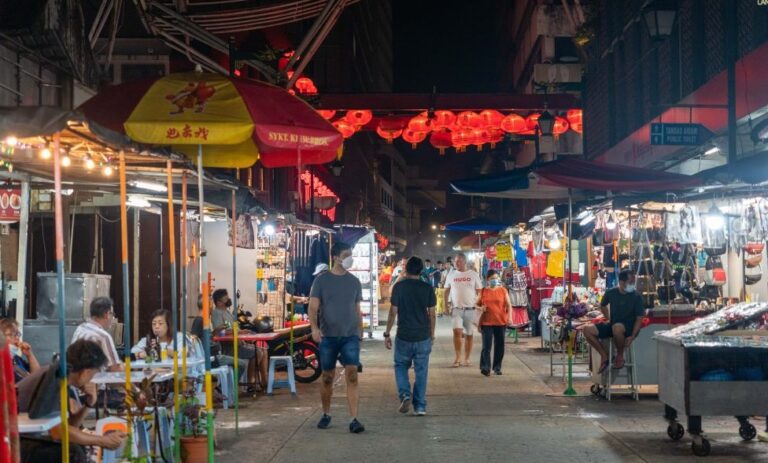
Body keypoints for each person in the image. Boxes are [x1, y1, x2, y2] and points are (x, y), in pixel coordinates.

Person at [17, 340, 127, 462]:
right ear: (86, 373)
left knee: (78, 445)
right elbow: (58, 432)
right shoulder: (53, 380)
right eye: (93, 374)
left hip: (23, 438)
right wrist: (102, 440)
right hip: (13, 442)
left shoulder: (60, 377)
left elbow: (70, 426)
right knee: (73, 452)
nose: (92, 379)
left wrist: (89, 403)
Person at [309, 241, 365, 433]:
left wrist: (360, 329)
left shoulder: (354, 281)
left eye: (351, 254)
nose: (350, 258)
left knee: (352, 376)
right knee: (327, 377)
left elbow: (357, 309)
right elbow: (313, 307)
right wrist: (314, 328)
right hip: (328, 337)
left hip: (350, 336)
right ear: (335, 257)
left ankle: (354, 418)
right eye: (346, 254)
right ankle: (326, 413)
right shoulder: (321, 281)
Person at [384, 257, 436, 416]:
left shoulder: (399, 288)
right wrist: (432, 334)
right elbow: (432, 315)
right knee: (421, 371)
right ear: (421, 271)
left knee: (400, 366)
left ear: (406, 269)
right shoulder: (427, 288)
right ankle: (420, 406)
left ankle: (405, 394)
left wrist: (387, 333)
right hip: (422, 335)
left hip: (404, 335)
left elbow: (393, 312)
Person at [583, 269, 645, 372]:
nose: (632, 284)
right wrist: (608, 318)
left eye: (633, 282)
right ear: (621, 282)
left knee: (617, 327)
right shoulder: (611, 293)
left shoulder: (636, 297)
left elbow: (639, 319)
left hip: (628, 328)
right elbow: (602, 305)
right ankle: (604, 356)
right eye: (630, 282)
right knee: (586, 330)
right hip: (613, 325)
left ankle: (620, 355)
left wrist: (633, 336)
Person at [211, 289, 265, 388]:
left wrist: (243, 332)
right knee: (258, 353)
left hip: (239, 343)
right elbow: (220, 332)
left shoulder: (227, 312)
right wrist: (237, 332)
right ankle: (251, 382)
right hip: (230, 347)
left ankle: (262, 381)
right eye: (226, 298)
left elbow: (232, 328)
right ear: (218, 302)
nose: (228, 300)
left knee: (263, 351)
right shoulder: (217, 313)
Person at [444, 252, 483, 367]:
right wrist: (446, 306)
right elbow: (446, 291)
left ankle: (467, 358)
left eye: (459, 261)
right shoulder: (451, 275)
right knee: (457, 332)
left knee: (469, 334)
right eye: (455, 261)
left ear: (465, 262)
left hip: (470, 309)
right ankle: (457, 358)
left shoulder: (473, 274)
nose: (456, 263)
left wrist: (479, 305)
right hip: (457, 309)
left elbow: (480, 291)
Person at [71, 297, 121, 371]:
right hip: (94, 380)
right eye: (112, 314)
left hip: (76, 379)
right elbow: (115, 369)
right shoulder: (103, 336)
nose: (112, 318)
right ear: (107, 314)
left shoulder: (80, 328)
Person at [477, 270, 512, 376]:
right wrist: (480, 308)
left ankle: (497, 367)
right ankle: (485, 367)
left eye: (496, 278)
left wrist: (510, 318)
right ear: (488, 279)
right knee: (486, 346)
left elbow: (509, 305)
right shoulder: (483, 291)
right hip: (486, 322)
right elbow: (475, 304)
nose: (494, 280)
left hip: (500, 321)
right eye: (492, 278)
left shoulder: (503, 290)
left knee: (500, 346)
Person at [1, 318, 41, 383]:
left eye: (17, 334)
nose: (17, 338)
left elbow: (37, 376)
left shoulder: (16, 359)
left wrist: (30, 355)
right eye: (12, 334)